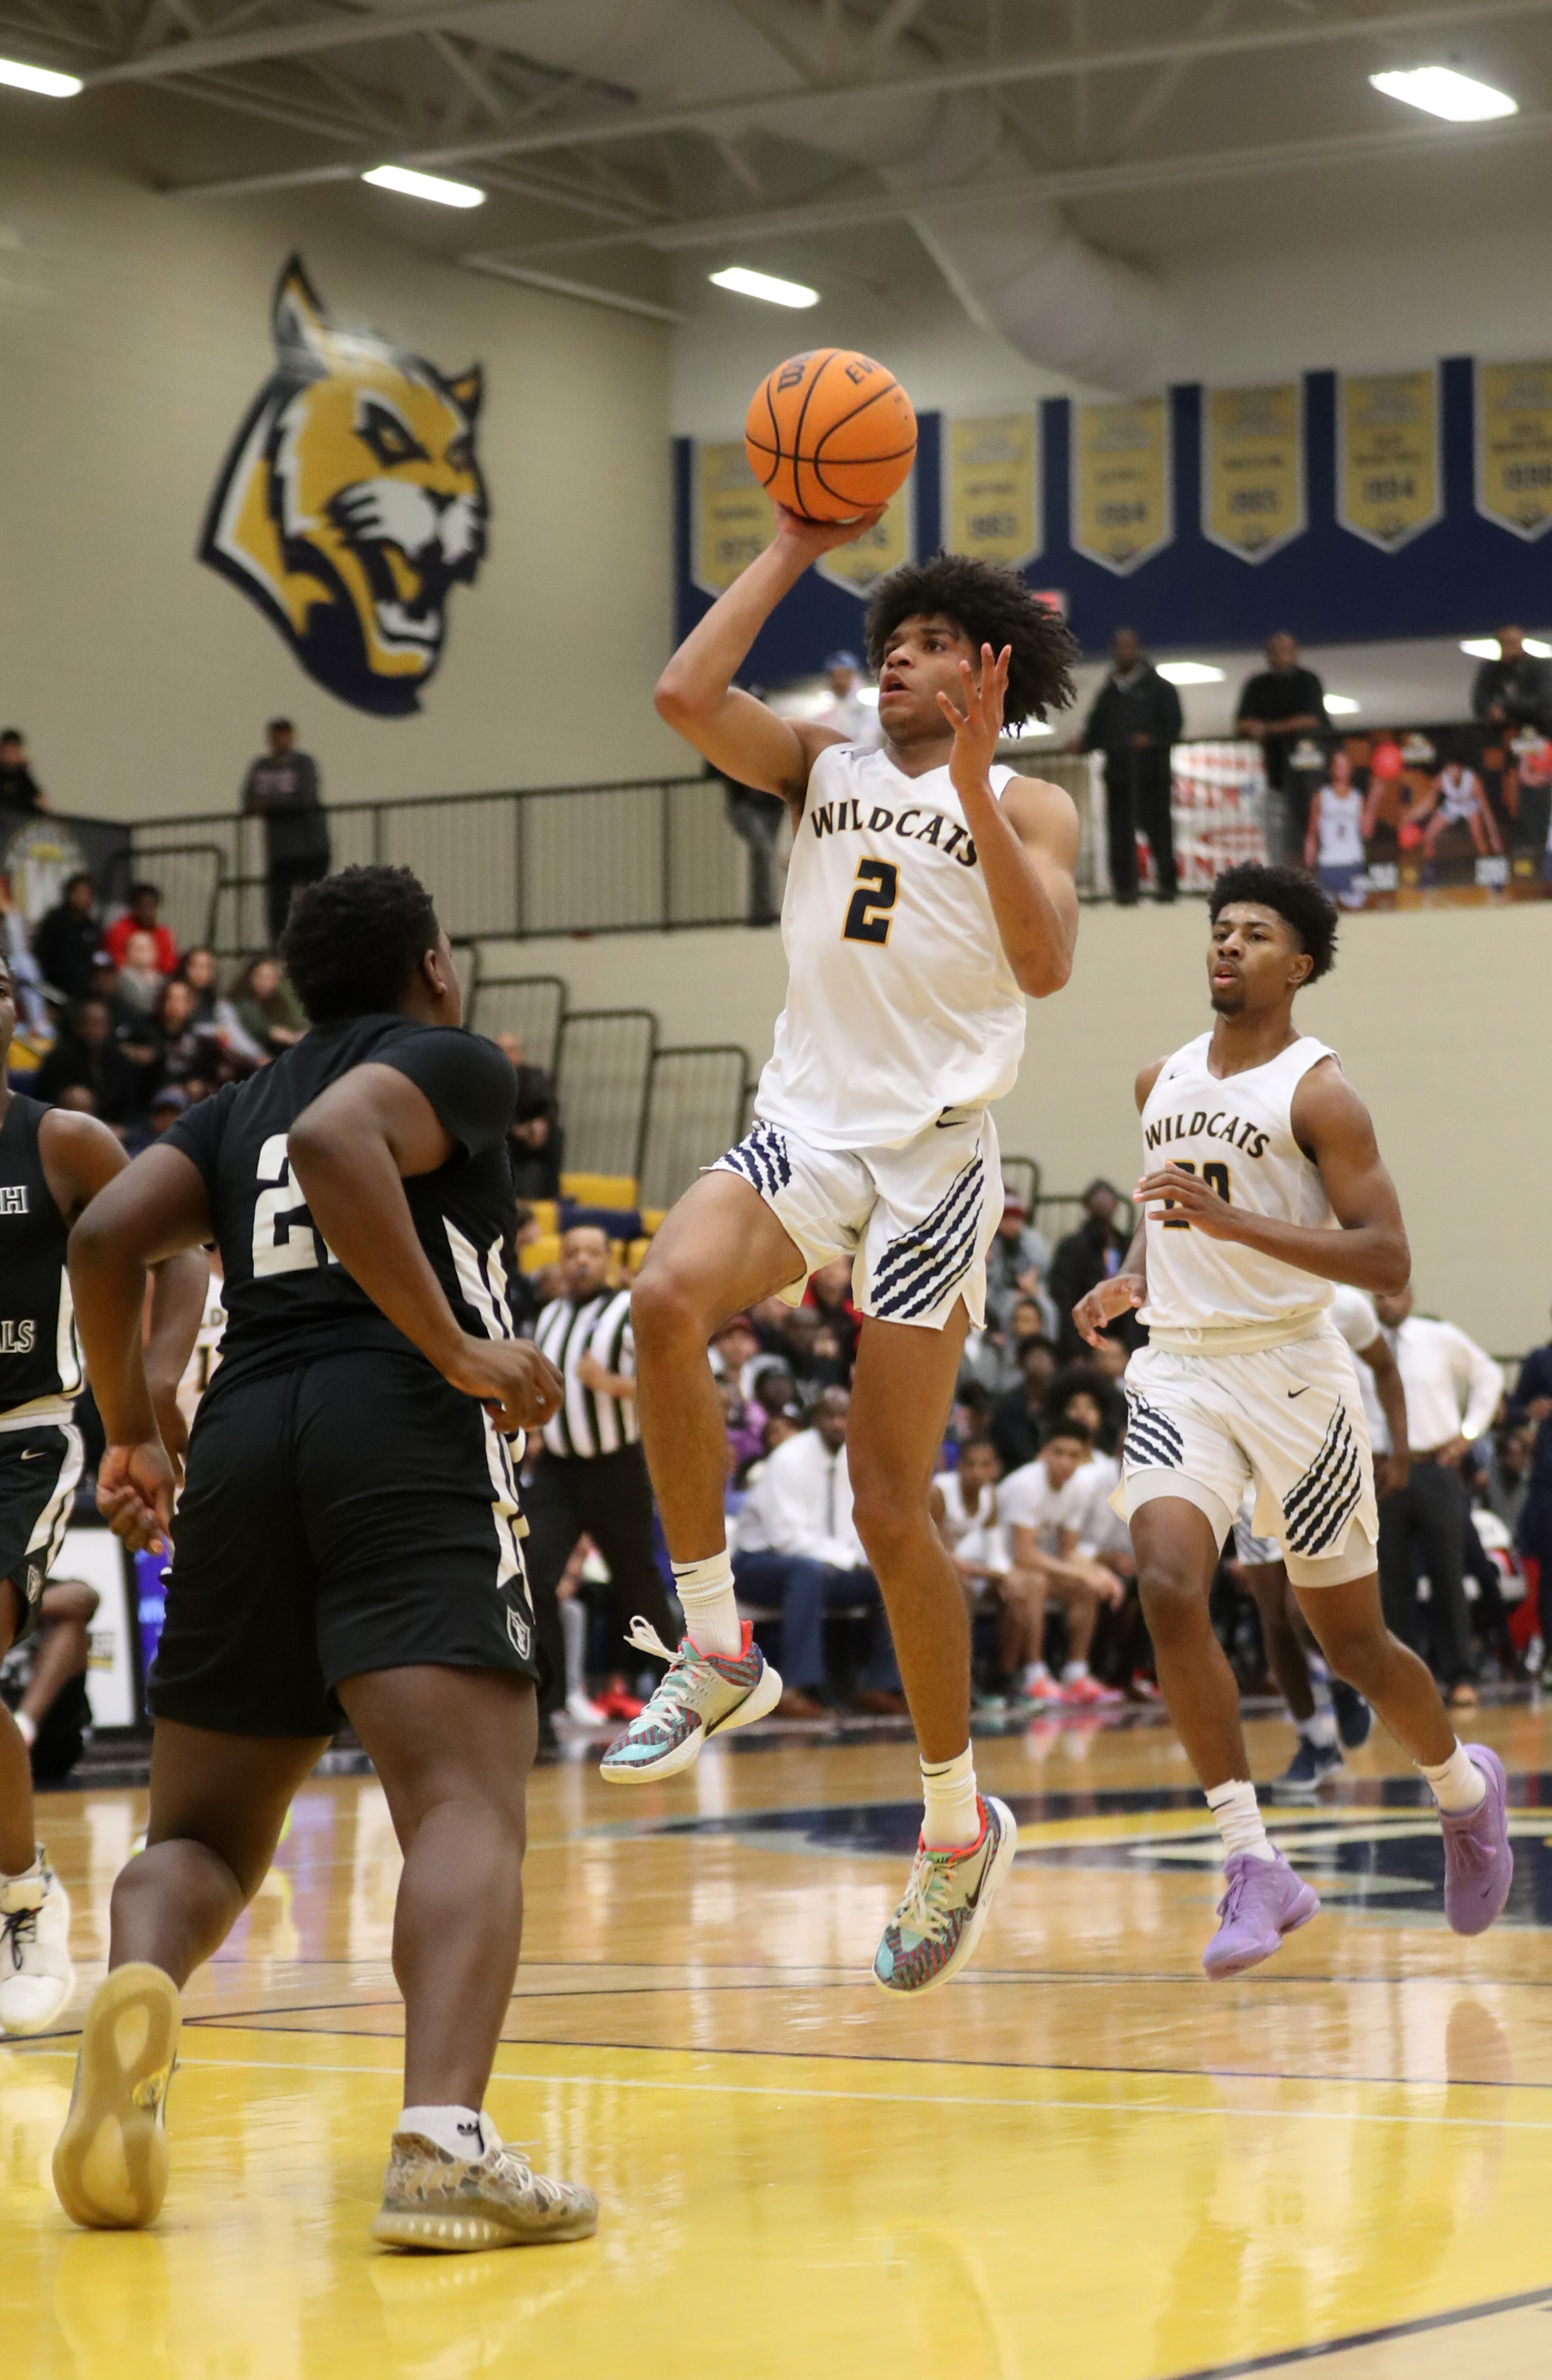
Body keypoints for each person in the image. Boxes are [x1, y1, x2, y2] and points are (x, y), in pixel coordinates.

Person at [55, 864, 596, 2249]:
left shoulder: (238, 1099)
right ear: (431, 964)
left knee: (198, 1834)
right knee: (464, 1799)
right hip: (399, 1435)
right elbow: (347, 1144)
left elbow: (108, 1232)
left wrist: (135, 1430)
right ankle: (441, 2143)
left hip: (241, 1444)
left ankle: (138, 1996)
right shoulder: (447, 1060)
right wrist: (456, 1344)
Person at [615, 513, 1082, 1999]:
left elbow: (1048, 964)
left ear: (992, 671)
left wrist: (974, 787)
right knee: (660, 1297)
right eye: (892, 639)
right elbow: (685, 698)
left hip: (935, 1158)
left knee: (892, 1508)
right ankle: (714, 1649)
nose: (900, 655)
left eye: (936, 640)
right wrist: (788, 543)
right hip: (806, 1127)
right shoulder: (821, 759)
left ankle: (956, 1828)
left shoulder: (1032, 800)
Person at [1074, 862, 1512, 1979]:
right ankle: (1252, 1858)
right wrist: (1134, 1273)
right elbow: (1177, 1214)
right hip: (1179, 1369)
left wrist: (1228, 1223)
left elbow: (1388, 1256)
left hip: (1296, 1377)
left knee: (1352, 1641)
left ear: (1299, 964)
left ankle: (1463, 1788)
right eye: (1219, 930)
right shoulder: (1156, 1080)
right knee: (1170, 1580)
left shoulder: (1322, 1094)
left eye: (1254, 933)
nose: (1227, 946)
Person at [0, 948, 205, 2037]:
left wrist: (157, 1383)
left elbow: (180, 1255)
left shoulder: (62, 1141)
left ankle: (26, 1899)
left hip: (22, 1438)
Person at [1234, 1283, 1410, 1800]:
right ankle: (1315, 1740)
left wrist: (1400, 1453)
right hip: (1250, 1470)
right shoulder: (1228, 1288)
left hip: (1324, 1466)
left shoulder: (1346, 1302)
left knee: (1300, 1610)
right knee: (1273, 1618)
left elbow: (1386, 1369)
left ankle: (1344, 1676)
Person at [526, 1225, 678, 1730]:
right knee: (535, 1580)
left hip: (617, 1468)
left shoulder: (627, 1312)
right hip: (558, 1471)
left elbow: (668, 1382)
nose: (581, 1261)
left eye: (592, 1252)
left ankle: (678, 1699)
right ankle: (547, 1707)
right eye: (572, 1253)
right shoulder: (547, 1316)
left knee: (636, 1581)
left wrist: (607, 1383)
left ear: (610, 1262)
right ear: (561, 1263)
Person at [734, 1385, 904, 1718]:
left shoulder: (857, 1458)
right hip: (759, 1564)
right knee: (807, 1571)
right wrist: (848, 1560)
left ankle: (880, 1684)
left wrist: (865, 1560)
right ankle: (795, 1688)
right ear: (816, 1419)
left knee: (890, 1579)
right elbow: (786, 1539)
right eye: (831, 1416)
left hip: (828, 1565)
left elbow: (860, 1525)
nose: (839, 1424)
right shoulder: (788, 1458)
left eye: (846, 1416)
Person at [1371, 1284, 1503, 1708]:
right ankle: (1406, 1682)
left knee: (1448, 1573)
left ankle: (1460, 1674)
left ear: (1410, 1295)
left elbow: (1489, 1375)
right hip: (1382, 1470)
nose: (1386, 1302)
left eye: (1392, 1294)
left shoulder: (1438, 1337)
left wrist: (1468, 1435)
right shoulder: (1359, 1341)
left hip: (1436, 1466)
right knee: (1391, 1581)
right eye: (1377, 1296)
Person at [1000, 1419, 1124, 1703]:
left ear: (1083, 1459)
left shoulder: (1078, 1488)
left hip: (1033, 1566)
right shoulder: (1025, 1484)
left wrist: (1099, 1573)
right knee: (1036, 1582)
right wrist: (1083, 1573)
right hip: (997, 1566)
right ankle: (1034, 1675)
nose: (1065, 1462)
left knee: (1086, 1586)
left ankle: (1076, 1673)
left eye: (1073, 1455)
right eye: (1059, 1453)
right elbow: (1023, 1553)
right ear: (1044, 1453)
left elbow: (1068, 1550)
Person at [1078, 626, 1183, 904]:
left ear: (1138, 648)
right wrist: (1084, 742)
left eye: (1129, 645)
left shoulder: (1161, 689)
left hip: (1153, 777)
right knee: (1120, 838)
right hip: (1119, 779)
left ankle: (1168, 890)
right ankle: (1125, 893)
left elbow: (1174, 727)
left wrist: (1150, 740)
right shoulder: (1108, 692)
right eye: (1120, 646)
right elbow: (1095, 729)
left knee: (1160, 836)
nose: (1124, 651)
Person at [1234, 634, 1328, 862]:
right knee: (1276, 831)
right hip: (1275, 777)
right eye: (1276, 650)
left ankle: (1317, 879)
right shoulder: (1258, 685)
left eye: (1287, 650)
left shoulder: (1308, 681)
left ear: (1296, 653)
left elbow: (1311, 720)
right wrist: (1256, 728)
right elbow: (1241, 723)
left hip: (1309, 776)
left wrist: (1271, 729)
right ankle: (1280, 880)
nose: (1282, 656)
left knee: (1311, 827)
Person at [0, 1575, 100, 1785]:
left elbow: (85, 1598)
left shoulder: (31, 1582)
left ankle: (23, 1728)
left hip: (49, 1733)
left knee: (72, 1623)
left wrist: (15, 1608)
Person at [241, 719, 331, 943]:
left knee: (313, 901)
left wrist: (269, 806)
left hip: (311, 847)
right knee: (278, 904)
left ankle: (317, 942)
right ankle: (278, 947)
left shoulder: (304, 764)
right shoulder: (261, 766)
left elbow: (304, 799)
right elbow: (248, 802)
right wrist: (277, 804)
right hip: (279, 851)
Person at [1049, 1181, 1134, 1362]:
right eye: (1098, 1200)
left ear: (1117, 1205)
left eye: (1108, 1199)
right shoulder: (1071, 1248)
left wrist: (1129, 1349)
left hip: (1124, 1337)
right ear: (1087, 1207)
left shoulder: (1128, 1246)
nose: (1104, 1204)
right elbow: (1064, 1300)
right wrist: (1077, 1354)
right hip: (1084, 1336)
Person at [1303, 750, 1368, 907]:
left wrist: (1375, 798)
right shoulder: (1321, 797)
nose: (1342, 770)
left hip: (1353, 861)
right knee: (1326, 912)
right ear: (1331, 769)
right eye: (1338, 766)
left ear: (1351, 769)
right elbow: (1312, 833)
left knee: (1356, 908)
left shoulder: (1358, 798)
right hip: (1329, 863)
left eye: (1346, 766)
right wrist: (1308, 866)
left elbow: (1366, 831)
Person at [989, 1334, 1059, 1475]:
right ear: (1022, 1363)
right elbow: (1012, 1447)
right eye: (1036, 1357)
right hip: (1015, 1472)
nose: (1041, 1363)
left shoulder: (1059, 1402)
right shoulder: (1007, 1404)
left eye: (1046, 1358)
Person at [32, 875, 104, 1006]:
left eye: (88, 894)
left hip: (84, 995)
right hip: (53, 991)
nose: (83, 898)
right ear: (69, 894)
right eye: (79, 893)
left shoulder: (92, 927)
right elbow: (40, 958)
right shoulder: (54, 923)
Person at [220, 955, 307, 1061]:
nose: (267, 983)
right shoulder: (243, 1003)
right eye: (263, 977)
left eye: (271, 978)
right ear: (251, 978)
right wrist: (296, 1038)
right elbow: (267, 1030)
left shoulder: (275, 1003)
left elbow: (290, 1024)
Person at [1470, 626, 1552, 737]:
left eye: (1512, 644)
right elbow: (1480, 699)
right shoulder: (1491, 670)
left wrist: (1505, 705)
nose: (1509, 649)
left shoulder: (1540, 668)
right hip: (1503, 732)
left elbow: (1543, 701)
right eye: (1505, 644)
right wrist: (1491, 711)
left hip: (1540, 729)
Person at [1421, 752, 1502, 862]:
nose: (1453, 772)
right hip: (1452, 805)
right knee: (1428, 837)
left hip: (1470, 805)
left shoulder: (1473, 781)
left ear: (1461, 769)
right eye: (1450, 769)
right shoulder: (1441, 780)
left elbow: (1486, 810)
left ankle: (1487, 867)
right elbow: (1430, 802)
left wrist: (1494, 836)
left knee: (1479, 837)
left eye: (1456, 768)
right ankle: (1429, 871)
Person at [810, 650, 881, 748]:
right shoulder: (824, 713)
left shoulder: (869, 710)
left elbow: (869, 742)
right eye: (835, 676)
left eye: (843, 675)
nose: (839, 682)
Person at [105, 885, 178, 977]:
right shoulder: (118, 930)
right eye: (143, 907)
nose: (148, 912)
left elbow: (169, 966)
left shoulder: (163, 934)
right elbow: (117, 963)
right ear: (134, 908)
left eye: (152, 907)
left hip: (156, 980)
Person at [0, 731, 46, 815]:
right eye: (7, 750)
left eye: (14, 751)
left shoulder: (23, 775)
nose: (10, 755)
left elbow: (40, 801)